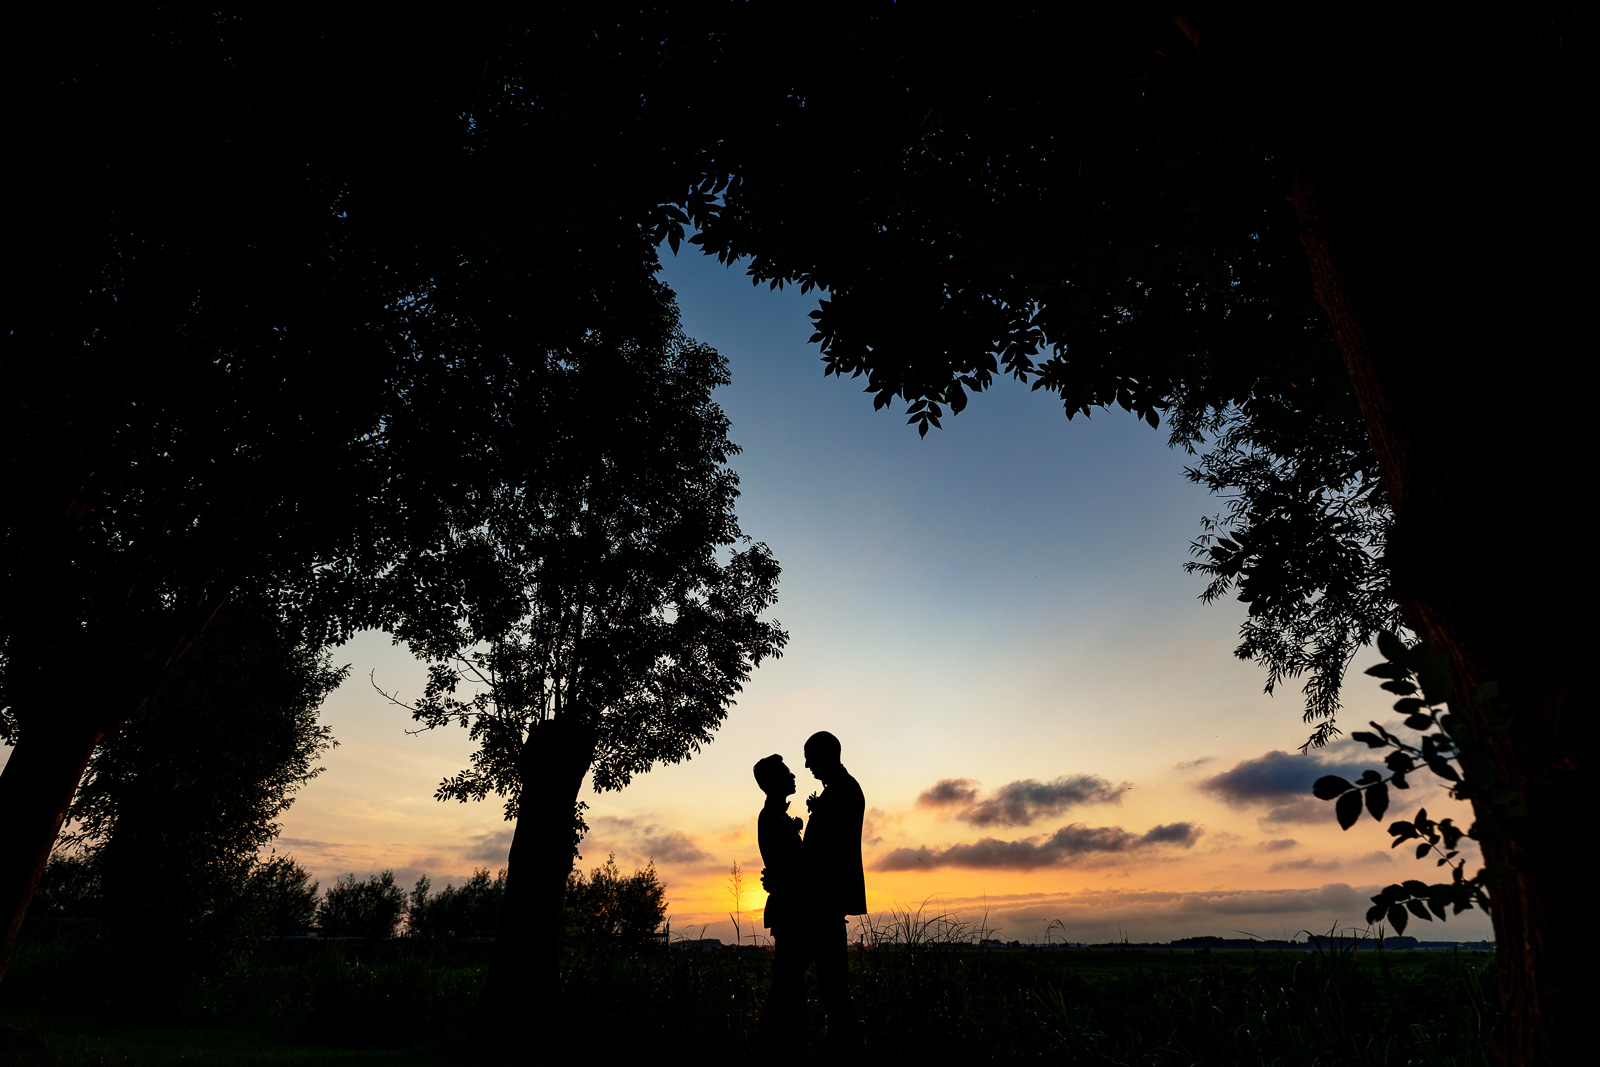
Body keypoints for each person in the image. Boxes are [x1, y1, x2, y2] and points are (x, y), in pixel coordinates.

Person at [800, 730, 865, 1053]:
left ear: (826, 755)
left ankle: (849, 1054)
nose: (807, 765)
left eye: (810, 757)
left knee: (834, 992)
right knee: (832, 990)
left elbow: (829, 853)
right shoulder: (839, 790)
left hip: (825, 902)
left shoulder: (842, 791)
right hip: (825, 901)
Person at [754, 754, 806, 1051]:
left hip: (791, 909)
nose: (793, 775)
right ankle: (776, 1052)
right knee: (786, 988)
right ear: (773, 782)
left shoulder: (779, 817)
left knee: (789, 986)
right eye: (787, 772)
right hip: (790, 911)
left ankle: (781, 1051)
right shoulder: (771, 818)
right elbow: (789, 867)